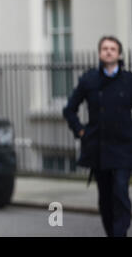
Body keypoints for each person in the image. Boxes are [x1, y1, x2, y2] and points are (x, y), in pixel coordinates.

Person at [63, 36, 132, 237]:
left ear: (119, 54)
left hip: (123, 148)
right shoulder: (89, 79)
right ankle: (112, 232)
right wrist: (80, 131)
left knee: (120, 192)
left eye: (112, 48)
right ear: (100, 53)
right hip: (98, 148)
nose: (108, 51)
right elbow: (69, 109)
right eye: (104, 48)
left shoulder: (128, 80)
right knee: (105, 199)